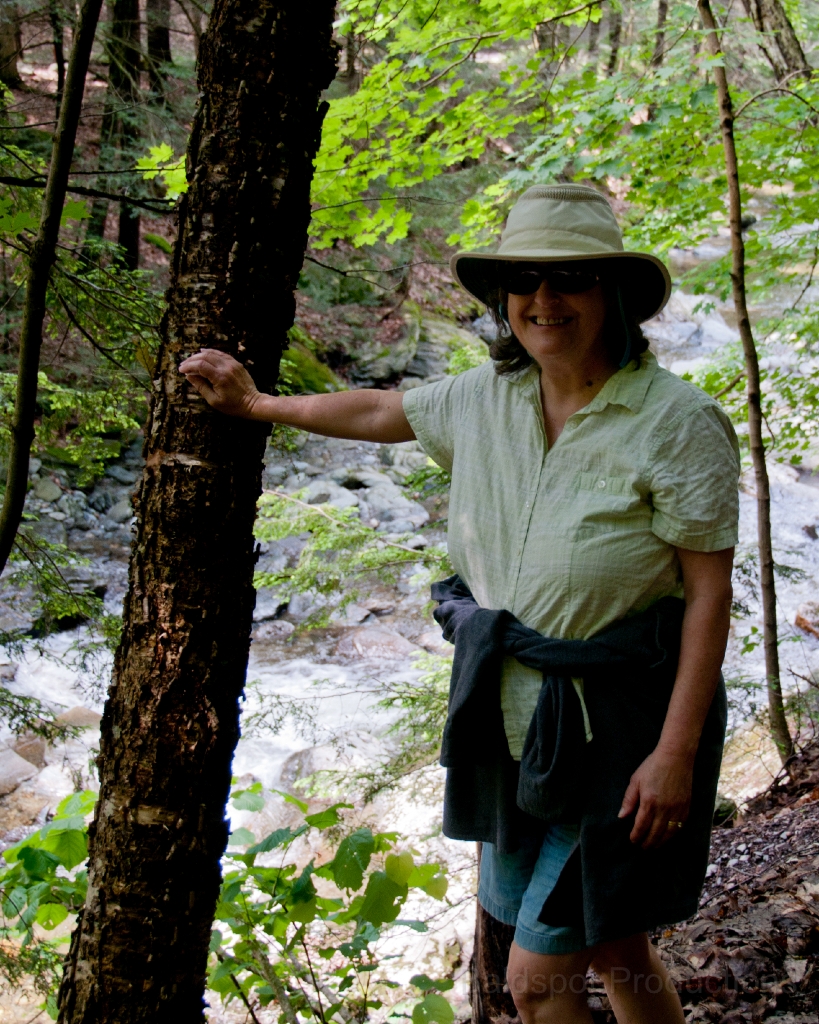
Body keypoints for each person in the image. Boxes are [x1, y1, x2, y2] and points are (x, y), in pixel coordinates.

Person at [180, 184, 739, 1024]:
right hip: (507, 725)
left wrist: (676, 754)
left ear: (613, 294)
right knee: (616, 941)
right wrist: (257, 405)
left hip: (620, 734)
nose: (542, 302)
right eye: (522, 281)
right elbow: (377, 408)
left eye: (570, 280)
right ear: (500, 298)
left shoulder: (675, 422)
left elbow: (706, 594)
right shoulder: (485, 398)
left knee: (536, 982)